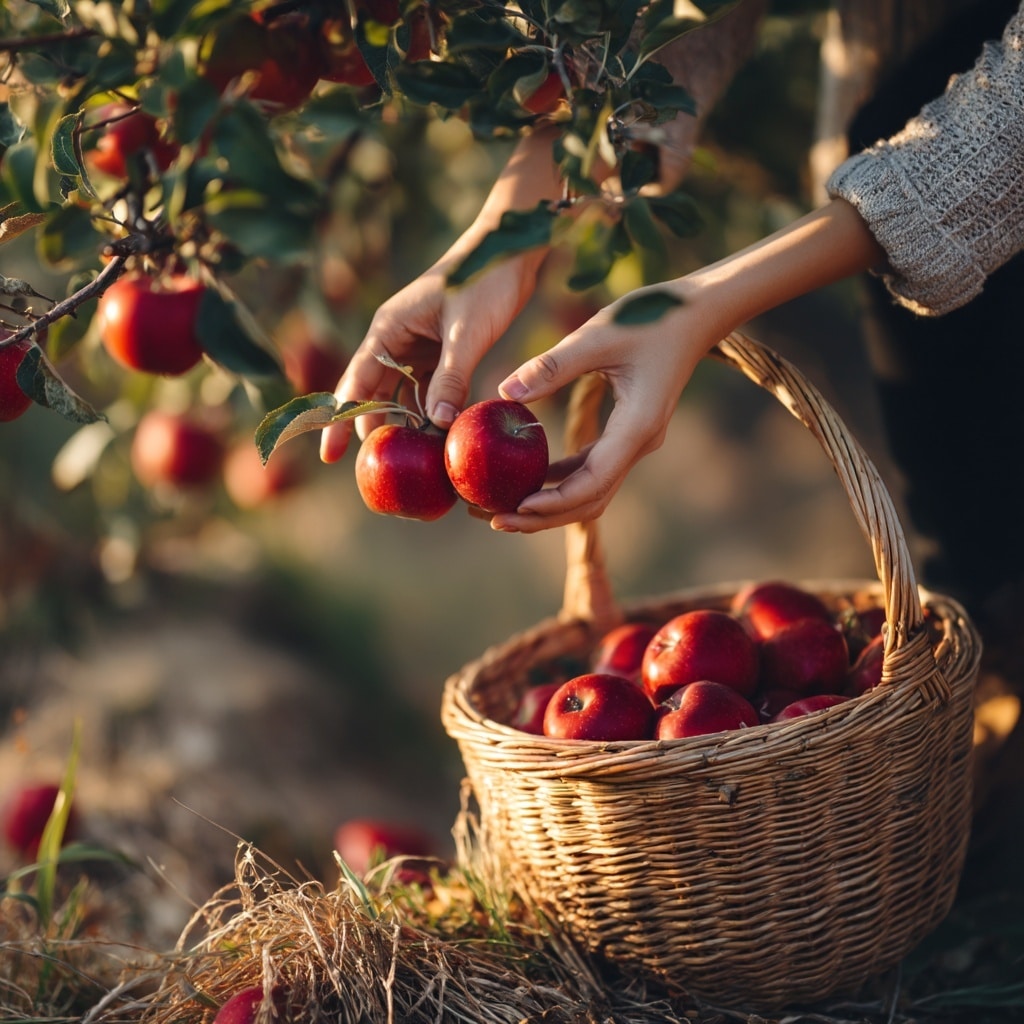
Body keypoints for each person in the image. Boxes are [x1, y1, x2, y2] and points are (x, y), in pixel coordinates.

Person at [320, 1, 1024, 636]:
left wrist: (703, 307)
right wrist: (506, 228)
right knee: (975, 578)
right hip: (905, 163)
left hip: (970, 216)